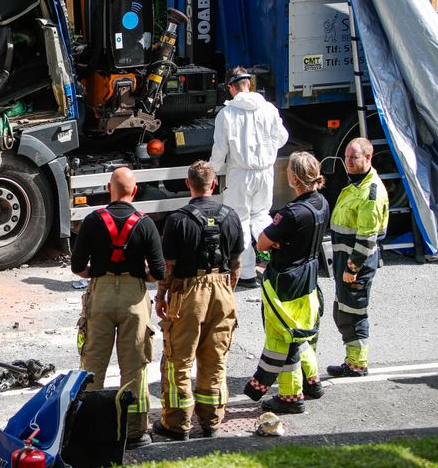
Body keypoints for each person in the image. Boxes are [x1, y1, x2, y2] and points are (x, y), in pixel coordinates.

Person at [72, 167, 165, 449]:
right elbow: (158, 272)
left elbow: (77, 267)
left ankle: (90, 428)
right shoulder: (146, 223)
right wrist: (140, 278)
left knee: (92, 366)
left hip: (100, 296)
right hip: (134, 299)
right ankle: (135, 431)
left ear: (108, 189)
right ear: (134, 191)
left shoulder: (92, 220)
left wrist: (97, 275)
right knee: (134, 367)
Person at [153, 160, 244, 441]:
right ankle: (211, 421)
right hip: (222, 289)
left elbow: (168, 265)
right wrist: (227, 289)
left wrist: (160, 296)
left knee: (178, 359)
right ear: (214, 184)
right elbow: (236, 263)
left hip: (188, 292)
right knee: (215, 358)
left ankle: (177, 424)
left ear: (187, 184)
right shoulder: (231, 217)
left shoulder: (178, 220)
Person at [244, 151, 329, 413]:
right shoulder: (322, 203)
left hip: (286, 281)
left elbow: (262, 242)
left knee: (285, 337)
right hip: (309, 276)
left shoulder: (292, 213)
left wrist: (275, 241)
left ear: (294, 177)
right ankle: (312, 382)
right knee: (302, 331)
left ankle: (291, 397)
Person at [209, 67, 289, 289]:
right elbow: (282, 138)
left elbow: (220, 149)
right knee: (261, 215)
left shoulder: (226, 114)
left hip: (240, 174)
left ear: (231, 88)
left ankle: (246, 274)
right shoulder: (269, 109)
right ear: (249, 85)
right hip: (265, 171)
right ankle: (276, 258)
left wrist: (211, 172)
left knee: (240, 220)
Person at [328, 137, 388, 377]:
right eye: (346, 157)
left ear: (368, 157)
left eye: (354, 157)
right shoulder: (356, 183)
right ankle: (352, 361)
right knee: (343, 310)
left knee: (354, 314)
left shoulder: (370, 192)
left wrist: (352, 268)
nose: (349, 162)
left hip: (357, 262)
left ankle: (357, 365)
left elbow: (366, 237)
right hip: (347, 260)